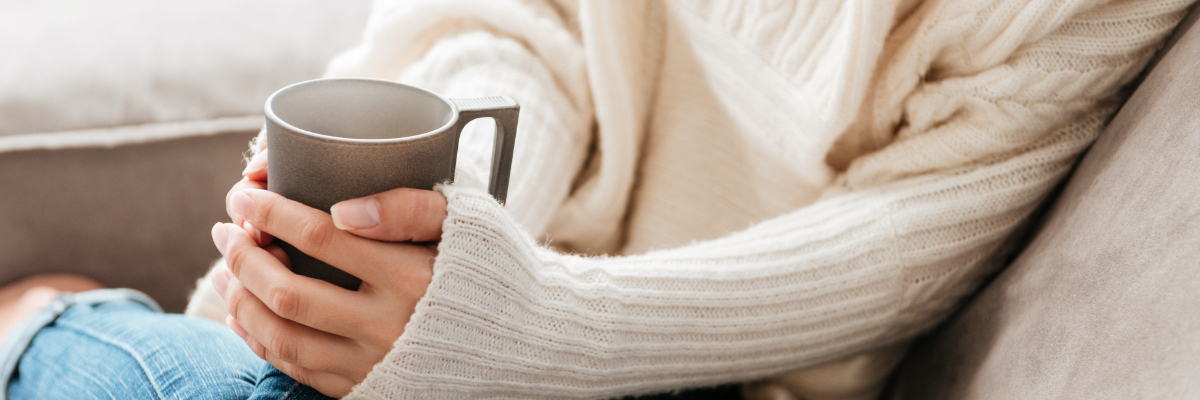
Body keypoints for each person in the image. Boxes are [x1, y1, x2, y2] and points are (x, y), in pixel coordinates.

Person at [1, 0, 1193, 399]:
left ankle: (56, 332)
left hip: (708, 367)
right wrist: (461, 218)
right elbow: (530, 25)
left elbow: (903, 245)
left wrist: (527, 323)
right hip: (528, 254)